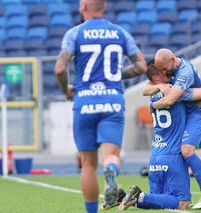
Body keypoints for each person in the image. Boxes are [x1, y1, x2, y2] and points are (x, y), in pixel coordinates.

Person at [54, 0, 147, 212]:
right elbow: (142, 65)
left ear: (83, 7)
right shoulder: (120, 33)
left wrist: (65, 89)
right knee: (111, 156)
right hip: (112, 102)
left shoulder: (74, 34)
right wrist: (114, 75)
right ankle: (111, 171)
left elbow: (60, 68)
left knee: (87, 164)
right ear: (103, 7)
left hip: (85, 102)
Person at [119, 60, 201, 211]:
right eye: (163, 71)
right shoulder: (173, 92)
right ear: (156, 77)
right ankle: (140, 196)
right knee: (182, 204)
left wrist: (151, 104)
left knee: (158, 202)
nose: (168, 71)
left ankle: (123, 198)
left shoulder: (153, 93)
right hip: (173, 155)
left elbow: (145, 89)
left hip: (155, 155)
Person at [142, 49, 201, 209]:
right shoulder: (170, 71)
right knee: (180, 152)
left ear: (173, 60)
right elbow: (144, 89)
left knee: (186, 151)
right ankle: (180, 192)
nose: (163, 72)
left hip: (195, 113)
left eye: (164, 69)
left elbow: (170, 100)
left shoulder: (185, 72)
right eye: (160, 70)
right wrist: (160, 85)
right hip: (184, 110)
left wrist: (152, 105)